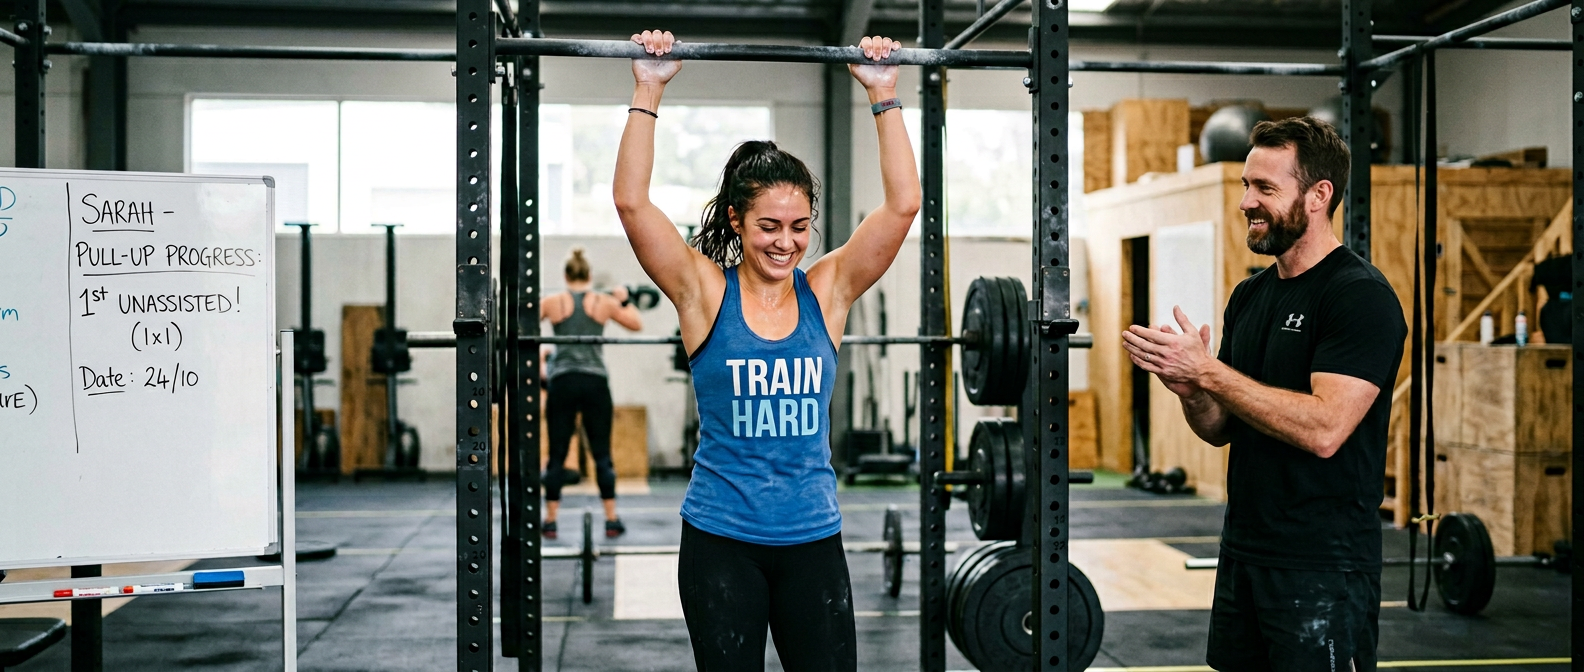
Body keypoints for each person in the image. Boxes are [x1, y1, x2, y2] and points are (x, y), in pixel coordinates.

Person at [613, 30, 918, 671]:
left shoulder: (827, 292)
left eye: (800, 227)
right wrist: (648, 87)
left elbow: (902, 204)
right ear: (736, 221)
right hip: (721, 541)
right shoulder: (703, 293)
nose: (786, 244)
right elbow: (632, 202)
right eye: (769, 227)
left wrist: (884, 95)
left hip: (813, 540)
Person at [1121, 117, 1406, 672]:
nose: (1247, 202)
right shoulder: (1249, 297)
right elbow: (1222, 429)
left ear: (1319, 195)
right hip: (1246, 553)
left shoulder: (1359, 297)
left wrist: (1211, 373)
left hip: (1323, 566)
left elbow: (1325, 430)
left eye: (1265, 189)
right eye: (1246, 186)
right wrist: (1191, 390)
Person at [540, 247, 643, 539]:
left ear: (565, 275)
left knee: (557, 455)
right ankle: (611, 520)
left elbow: (519, 325)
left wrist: (540, 355)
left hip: (562, 382)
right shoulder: (603, 302)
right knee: (601, 455)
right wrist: (625, 299)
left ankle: (550, 520)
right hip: (595, 382)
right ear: (590, 275)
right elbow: (636, 323)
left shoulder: (553, 302)